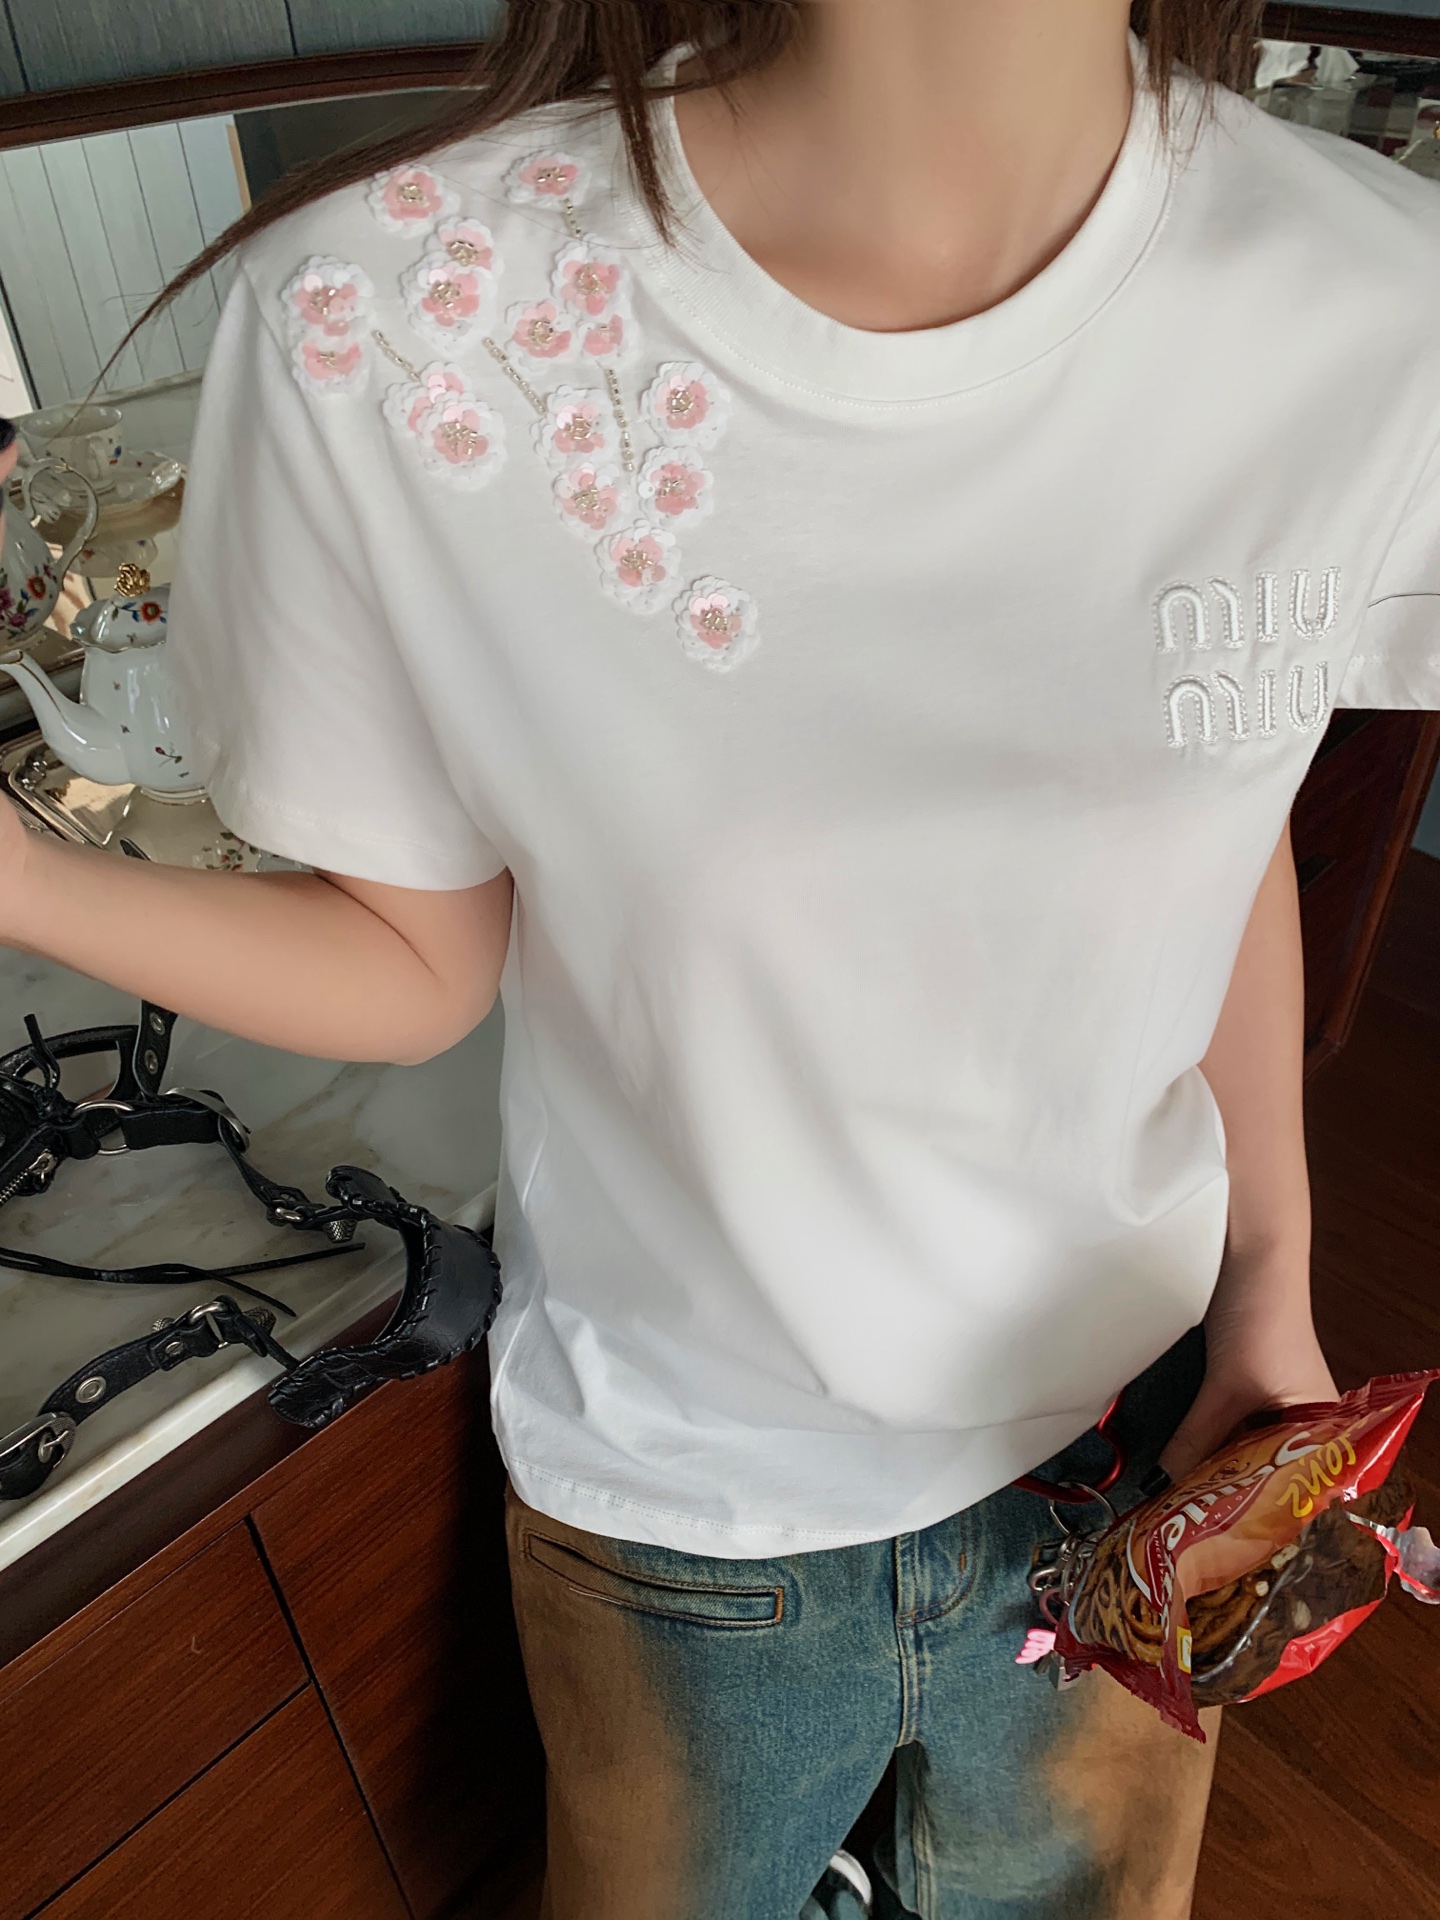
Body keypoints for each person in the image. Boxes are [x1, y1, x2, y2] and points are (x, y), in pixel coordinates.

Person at [4, 0, 1438, 1912]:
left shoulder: (1373, 304)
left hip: (1145, 1431)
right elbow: (410, 961)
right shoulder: (391, 321)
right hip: (687, 1491)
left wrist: (1270, 1286)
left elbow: (1215, 817)